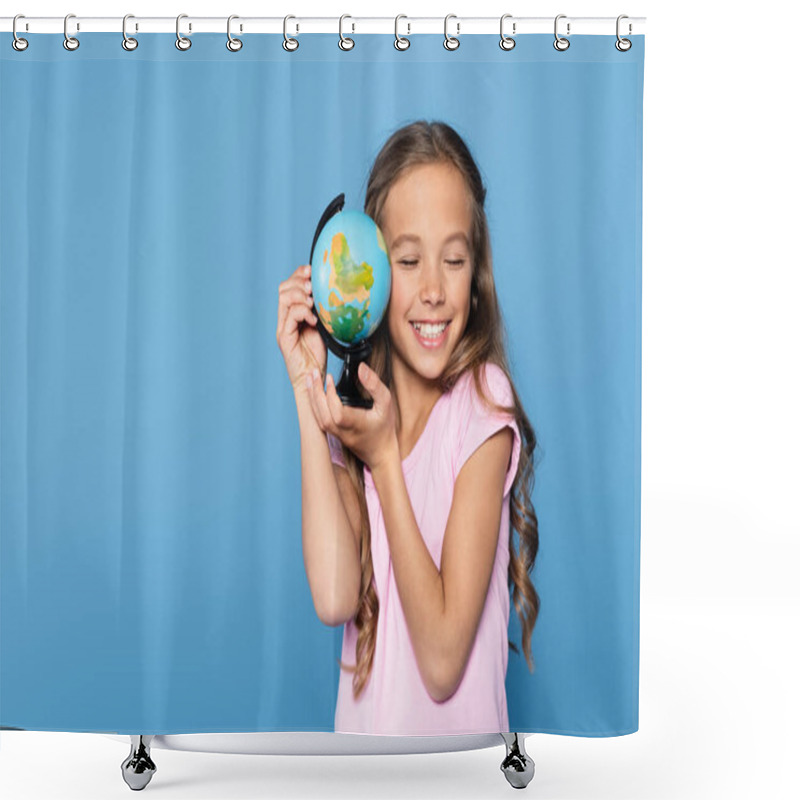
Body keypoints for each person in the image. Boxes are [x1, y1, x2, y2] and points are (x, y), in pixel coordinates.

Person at [276, 120, 540, 736]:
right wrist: (305, 388)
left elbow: (444, 661)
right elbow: (335, 596)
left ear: (475, 280)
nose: (431, 290)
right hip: (365, 776)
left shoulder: (483, 408)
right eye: (409, 260)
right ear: (375, 275)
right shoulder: (359, 420)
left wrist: (387, 461)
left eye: (453, 260)